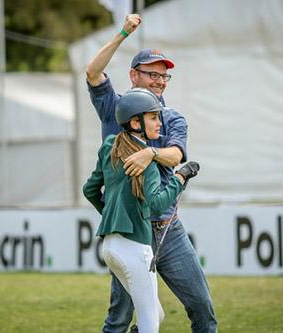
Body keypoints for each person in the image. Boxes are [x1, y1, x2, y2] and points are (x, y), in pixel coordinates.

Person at [86, 13, 217, 333]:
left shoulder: (173, 118)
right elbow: (92, 71)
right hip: (131, 232)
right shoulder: (117, 110)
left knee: (202, 309)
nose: (159, 81)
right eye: (152, 75)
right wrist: (122, 33)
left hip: (169, 229)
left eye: (164, 77)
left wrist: (149, 153)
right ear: (133, 76)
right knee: (118, 320)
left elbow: (175, 156)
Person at [84, 88, 200, 333]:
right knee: (150, 325)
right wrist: (180, 176)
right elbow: (157, 204)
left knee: (156, 313)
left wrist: (113, 215)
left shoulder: (109, 146)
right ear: (135, 122)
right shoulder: (146, 162)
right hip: (134, 251)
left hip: (110, 249)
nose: (160, 123)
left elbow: (89, 190)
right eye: (154, 117)